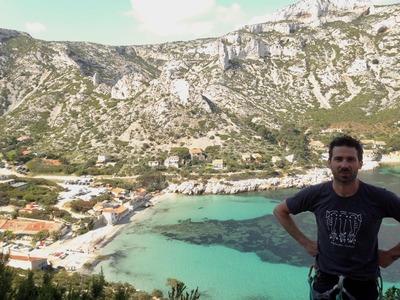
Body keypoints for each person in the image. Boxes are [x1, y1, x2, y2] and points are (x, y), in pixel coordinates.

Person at [273, 135, 400, 300]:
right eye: (338, 159)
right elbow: (280, 211)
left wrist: (392, 255)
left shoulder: (379, 198)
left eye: (351, 159)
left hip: (363, 285)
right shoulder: (316, 194)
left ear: (360, 163)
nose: (344, 165)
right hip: (325, 281)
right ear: (330, 163)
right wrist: (305, 243)